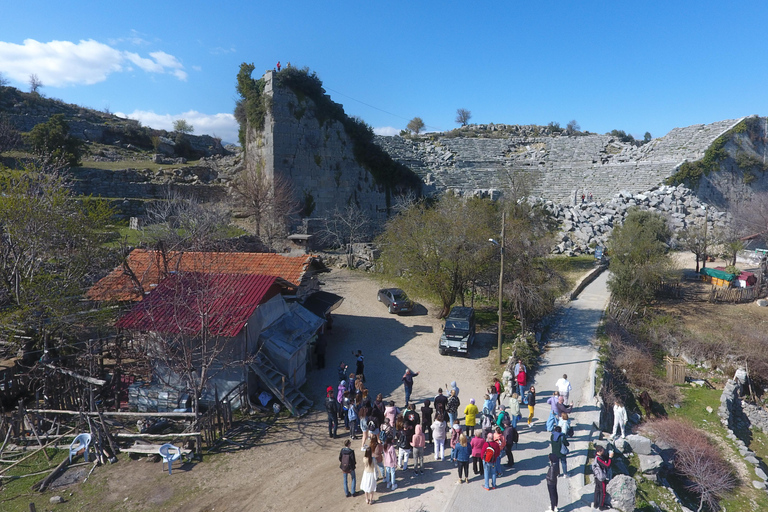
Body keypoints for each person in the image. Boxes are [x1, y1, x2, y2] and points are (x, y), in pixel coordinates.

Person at [592, 446, 614, 510]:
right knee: (603, 492)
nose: (603, 451)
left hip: (597, 477)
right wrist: (610, 458)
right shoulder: (598, 459)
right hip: (601, 478)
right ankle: (601, 506)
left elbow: (604, 458)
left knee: (597, 491)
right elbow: (607, 465)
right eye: (602, 450)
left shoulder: (596, 457)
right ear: (599, 452)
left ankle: (595, 504)